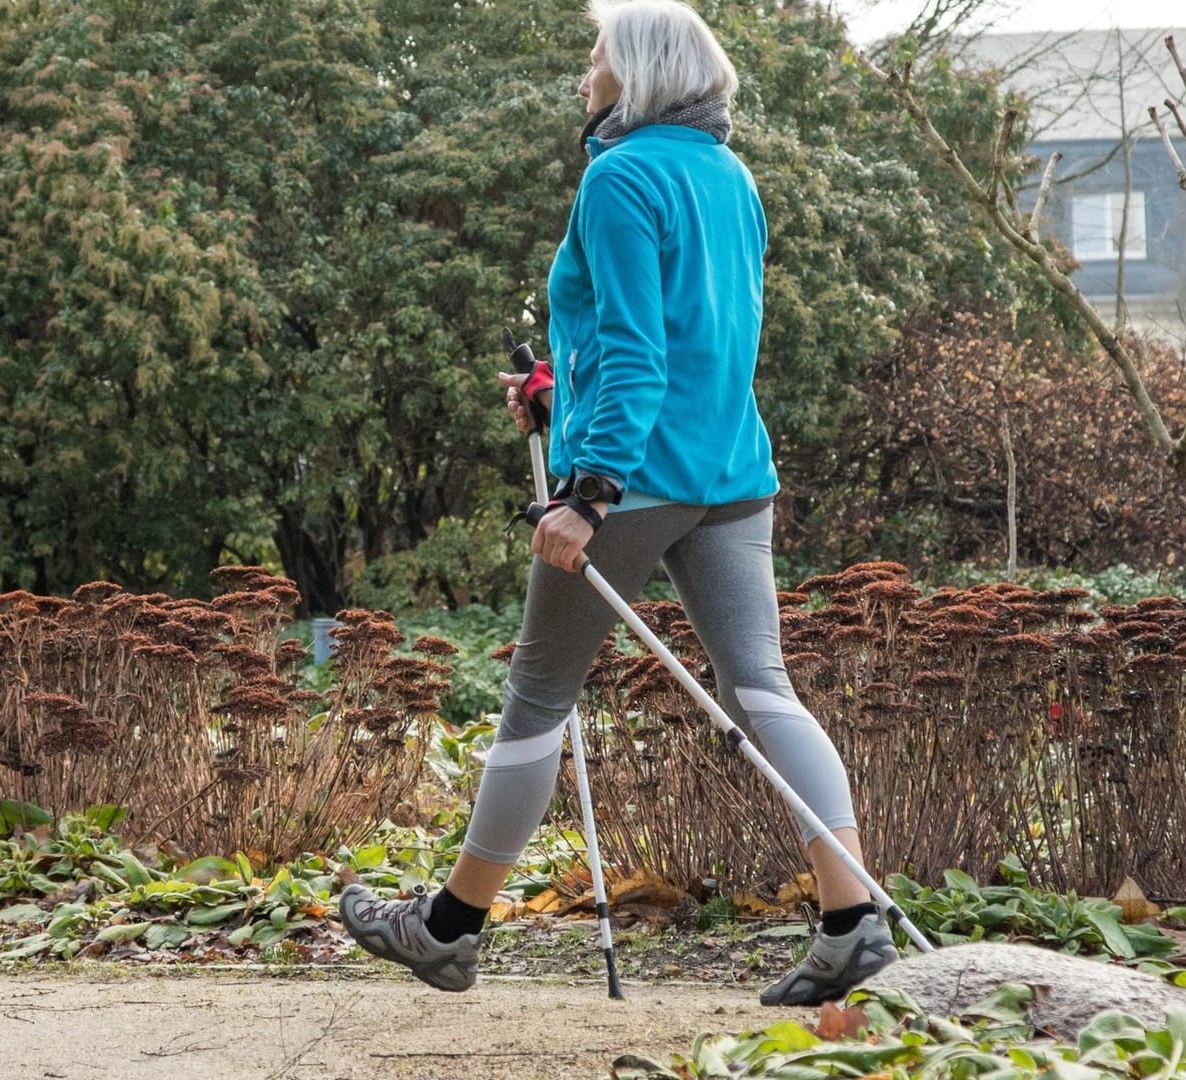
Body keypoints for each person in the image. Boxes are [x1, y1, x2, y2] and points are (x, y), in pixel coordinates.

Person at [338, 0, 898, 1007]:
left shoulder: (618, 177)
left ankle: (448, 929)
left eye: (595, 55)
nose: (585, 71)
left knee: (538, 696)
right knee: (762, 689)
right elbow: (691, 338)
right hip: (731, 472)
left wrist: (587, 493)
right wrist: (562, 387)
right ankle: (853, 920)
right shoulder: (730, 177)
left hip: (633, 480)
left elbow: (643, 351)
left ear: (635, 72)